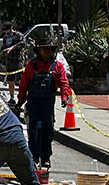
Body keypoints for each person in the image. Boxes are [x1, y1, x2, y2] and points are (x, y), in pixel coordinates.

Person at [17, 33, 72, 169]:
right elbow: (24, 84)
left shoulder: (57, 66)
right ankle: (34, 157)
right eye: (44, 49)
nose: (47, 51)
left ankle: (46, 157)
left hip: (48, 104)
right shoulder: (31, 66)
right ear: (38, 51)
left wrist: (65, 97)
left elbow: (64, 83)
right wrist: (20, 101)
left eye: (49, 49)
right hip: (34, 103)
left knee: (48, 131)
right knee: (35, 129)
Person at [1, 24, 25, 105]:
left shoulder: (18, 35)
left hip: (17, 60)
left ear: (10, 29)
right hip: (9, 61)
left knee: (20, 80)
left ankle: (22, 97)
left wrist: (12, 48)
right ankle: (12, 97)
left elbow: (23, 43)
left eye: (6, 30)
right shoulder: (5, 38)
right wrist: (4, 63)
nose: (5, 32)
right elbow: (4, 49)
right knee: (10, 81)